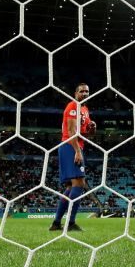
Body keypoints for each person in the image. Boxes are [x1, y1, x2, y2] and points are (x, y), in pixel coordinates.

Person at [50, 83, 95, 232]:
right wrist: (77, 151)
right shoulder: (72, 106)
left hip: (75, 146)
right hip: (70, 146)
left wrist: (92, 129)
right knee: (79, 183)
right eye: (81, 91)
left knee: (71, 186)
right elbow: (71, 131)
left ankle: (56, 223)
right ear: (75, 93)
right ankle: (70, 223)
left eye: (87, 91)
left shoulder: (85, 109)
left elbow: (85, 134)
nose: (85, 93)